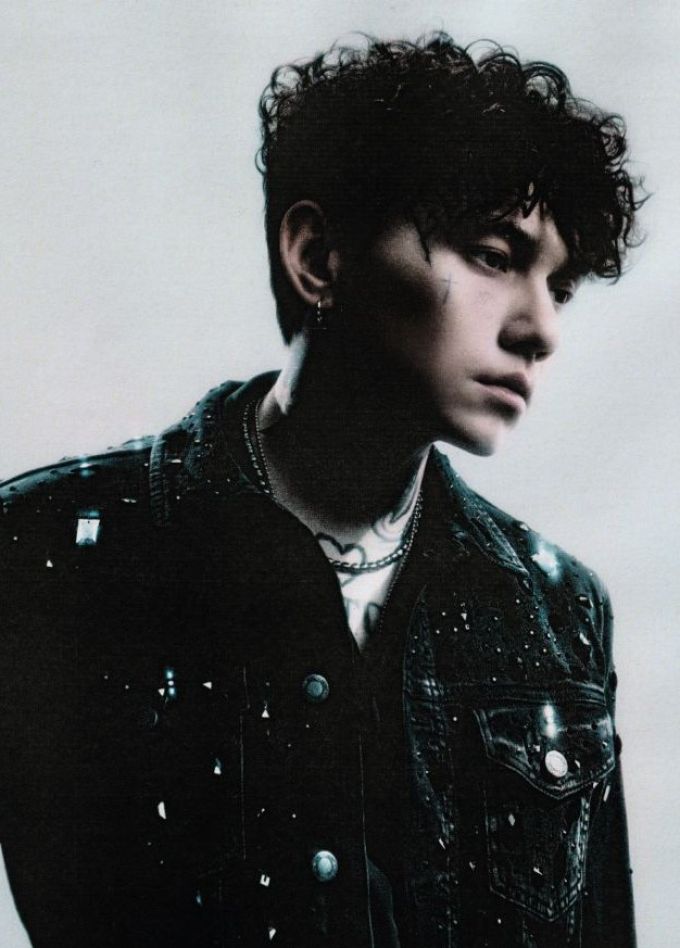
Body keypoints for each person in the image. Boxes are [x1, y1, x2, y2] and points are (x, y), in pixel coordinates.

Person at [0, 33, 641, 948]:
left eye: (560, 284)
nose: (541, 330)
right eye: (495, 255)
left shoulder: (558, 609)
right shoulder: (43, 554)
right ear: (318, 256)